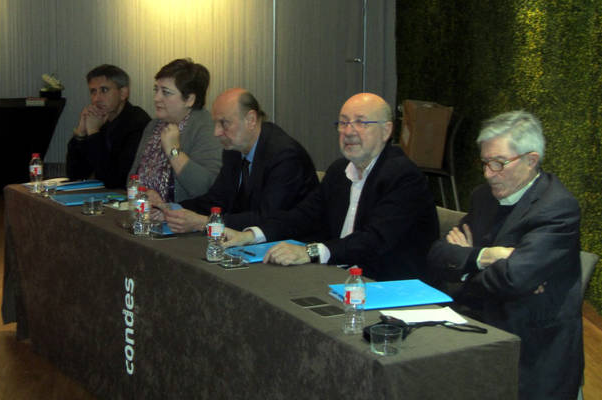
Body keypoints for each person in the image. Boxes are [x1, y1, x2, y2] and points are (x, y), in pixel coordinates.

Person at [427, 111, 583, 400]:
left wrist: (462, 270)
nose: (488, 174)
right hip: (476, 334)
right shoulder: (483, 197)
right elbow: (437, 256)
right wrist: (483, 258)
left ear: (531, 160)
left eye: (499, 163)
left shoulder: (557, 208)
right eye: (485, 163)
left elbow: (514, 278)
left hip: (532, 357)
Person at [223, 93, 438, 281]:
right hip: (340, 276)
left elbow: (373, 240)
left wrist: (311, 251)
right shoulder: (339, 171)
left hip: (389, 286)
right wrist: (252, 235)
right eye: (343, 123)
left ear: (386, 131)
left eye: (361, 123)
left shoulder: (403, 176)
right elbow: (303, 216)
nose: (349, 131)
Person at [159, 88, 318, 232]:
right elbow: (216, 200)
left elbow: (268, 218)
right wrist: (171, 210)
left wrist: (205, 222)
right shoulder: (234, 150)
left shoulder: (285, 155)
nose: (216, 132)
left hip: (292, 247)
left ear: (251, 120)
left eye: (224, 123)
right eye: (215, 123)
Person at [127, 58, 222, 203]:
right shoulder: (154, 126)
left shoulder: (207, 128)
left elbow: (204, 187)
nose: (156, 98)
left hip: (182, 220)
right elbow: (132, 178)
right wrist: (144, 194)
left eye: (166, 92)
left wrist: (173, 150)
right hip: (143, 212)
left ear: (189, 99)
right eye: (156, 90)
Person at [66, 64, 151, 189]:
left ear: (123, 93)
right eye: (93, 92)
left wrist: (94, 133)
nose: (96, 99)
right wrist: (81, 132)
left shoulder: (138, 123)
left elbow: (115, 180)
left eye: (104, 90)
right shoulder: (101, 119)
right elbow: (75, 174)